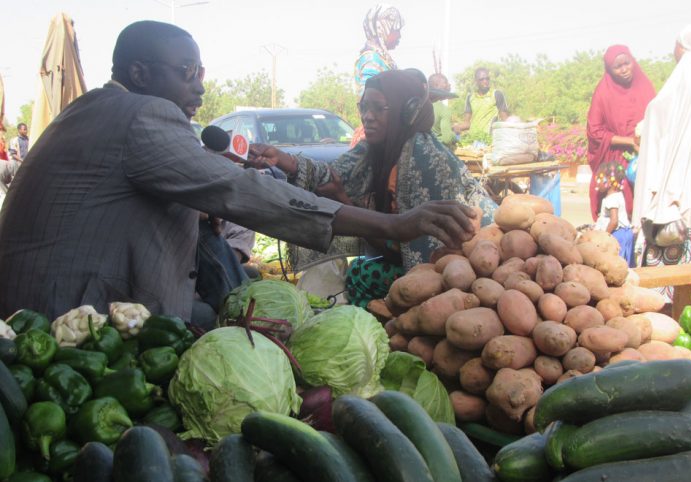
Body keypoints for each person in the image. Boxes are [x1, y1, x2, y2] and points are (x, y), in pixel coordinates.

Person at [0, 21, 477, 322]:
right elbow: (241, 191)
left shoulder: (94, 109)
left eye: (200, 73)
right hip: (57, 311)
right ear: (141, 74)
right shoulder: (142, 114)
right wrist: (393, 224)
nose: (201, 89)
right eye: (187, 73)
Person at [250, 69, 497, 306]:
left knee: (361, 274)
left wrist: (343, 201)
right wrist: (284, 160)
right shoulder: (375, 149)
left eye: (378, 108)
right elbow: (334, 174)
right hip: (410, 258)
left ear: (406, 111)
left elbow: (413, 254)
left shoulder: (424, 160)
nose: (368, 116)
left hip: (470, 270)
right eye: (364, 107)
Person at [632, 24, 691, 295]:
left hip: (674, 180)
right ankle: (683, 304)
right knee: (689, 241)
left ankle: (664, 309)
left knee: (665, 253)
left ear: (683, 46)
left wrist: (643, 127)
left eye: (675, 44)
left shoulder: (687, 74)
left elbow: (660, 116)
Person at [586, 45, 656, 222]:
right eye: (618, 67)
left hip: (645, 155)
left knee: (648, 208)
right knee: (622, 210)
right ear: (609, 70)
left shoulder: (644, 85)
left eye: (627, 63)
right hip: (616, 159)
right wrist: (629, 141)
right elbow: (594, 131)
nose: (624, 70)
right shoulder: (603, 92)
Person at [351, 4, 403, 147]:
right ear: (384, 28)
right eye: (396, 30)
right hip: (376, 134)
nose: (399, 36)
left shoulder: (382, 57)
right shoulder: (372, 59)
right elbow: (369, 98)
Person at [593, 161, 634, 266]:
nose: (597, 183)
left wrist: (605, 236)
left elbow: (614, 221)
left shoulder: (611, 199)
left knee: (616, 264)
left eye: (599, 179)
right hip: (625, 232)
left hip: (618, 235)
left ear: (610, 181)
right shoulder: (618, 195)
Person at [453, 67, 509, 144]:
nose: (485, 81)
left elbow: (505, 120)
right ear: (476, 81)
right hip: (473, 140)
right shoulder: (470, 97)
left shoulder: (496, 94)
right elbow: (467, 123)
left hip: (489, 140)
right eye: (481, 79)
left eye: (487, 78)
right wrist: (456, 127)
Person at [428, 73, 458, 149]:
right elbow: (447, 139)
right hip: (440, 153)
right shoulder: (444, 109)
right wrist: (454, 136)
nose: (448, 85)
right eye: (445, 83)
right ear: (436, 85)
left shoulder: (422, 105)